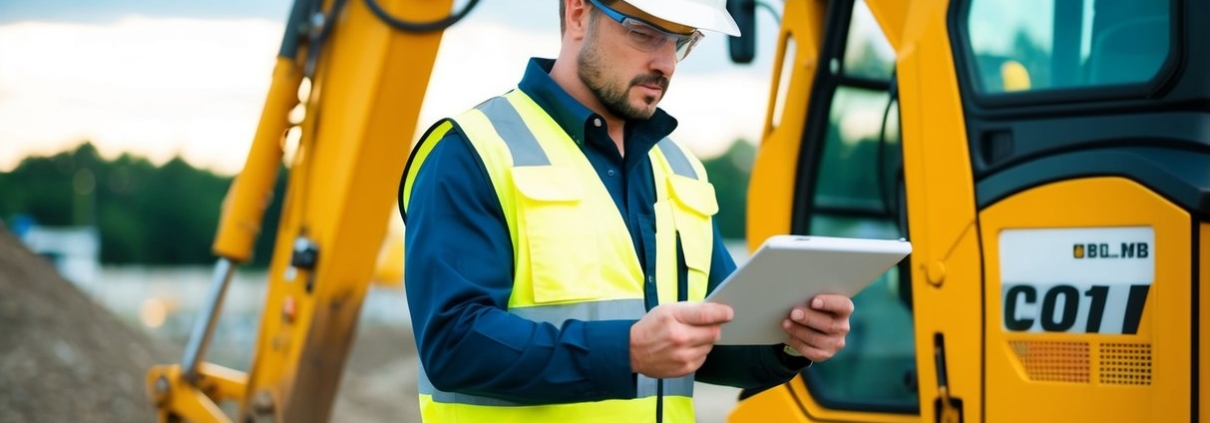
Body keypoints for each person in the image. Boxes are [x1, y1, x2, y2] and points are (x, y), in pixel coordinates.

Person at [397, 0, 853, 421]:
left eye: (681, 40)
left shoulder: (682, 171)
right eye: (644, 33)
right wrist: (629, 352)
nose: (666, 63)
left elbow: (710, 342)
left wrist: (790, 342)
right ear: (578, 12)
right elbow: (453, 343)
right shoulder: (470, 151)